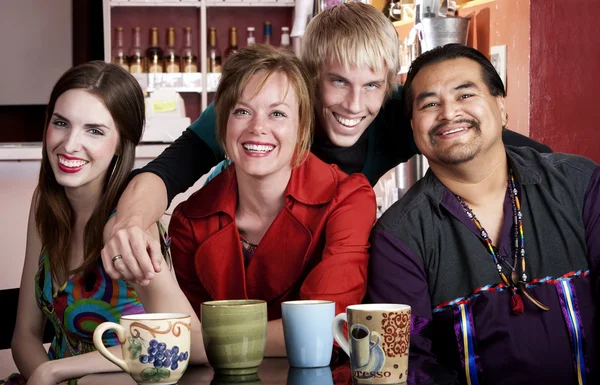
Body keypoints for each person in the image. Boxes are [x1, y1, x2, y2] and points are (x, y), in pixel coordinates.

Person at [100, 1, 550, 284]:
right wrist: (129, 223)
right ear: (309, 77)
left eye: (372, 85)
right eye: (338, 81)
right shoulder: (263, 107)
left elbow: (500, 143)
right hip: (240, 256)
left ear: (389, 85)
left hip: (325, 258)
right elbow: (167, 170)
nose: (355, 104)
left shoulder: (394, 114)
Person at [366, 44, 598, 385]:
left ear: (501, 107)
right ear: (414, 128)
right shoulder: (400, 236)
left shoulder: (580, 185)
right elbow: (403, 364)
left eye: (465, 95)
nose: (449, 113)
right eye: (430, 103)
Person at [165, 44, 375, 355]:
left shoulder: (348, 199)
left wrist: (202, 342)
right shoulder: (189, 220)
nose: (258, 128)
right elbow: (188, 345)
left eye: (277, 113)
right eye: (242, 111)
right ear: (222, 126)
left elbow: (329, 329)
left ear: (301, 127)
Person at [5, 62, 188, 385]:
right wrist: (45, 377)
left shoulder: (131, 224)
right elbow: (25, 335)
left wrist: (57, 370)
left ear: (121, 143)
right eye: (61, 123)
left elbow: (182, 343)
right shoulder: (45, 204)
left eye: (94, 130)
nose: (70, 144)